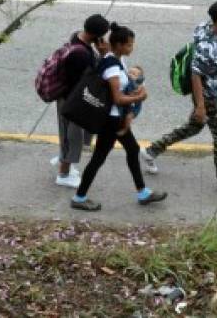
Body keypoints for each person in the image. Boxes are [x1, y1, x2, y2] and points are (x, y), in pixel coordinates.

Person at [141, 0, 217, 196]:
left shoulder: (208, 28)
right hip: (207, 95)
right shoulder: (207, 46)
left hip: (209, 93)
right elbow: (195, 75)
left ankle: (151, 151)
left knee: (194, 126)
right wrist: (201, 106)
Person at [71, 22, 167, 211]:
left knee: (132, 149)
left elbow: (109, 55)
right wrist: (140, 96)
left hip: (116, 118)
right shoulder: (112, 67)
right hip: (112, 120)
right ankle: (79, 197)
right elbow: (117, 98)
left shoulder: (115, 58)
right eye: (129, 44)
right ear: (119, 45)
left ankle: (143, 192)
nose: (132, 47)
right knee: (99, 158)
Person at [53, 14, 110, 188]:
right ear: (96, 36)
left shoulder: (76, 37)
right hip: (71, 101)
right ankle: (63, 173)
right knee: (71, 138)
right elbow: (90, 77)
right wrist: (103, 55)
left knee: (69, 137)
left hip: (68, 98)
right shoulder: (82, 54)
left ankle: (66, 166)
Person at [116, 64, 144, 137]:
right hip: (127, 104)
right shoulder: (126, 81)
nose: (130, 75)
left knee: (128, 117)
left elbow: (133, 92)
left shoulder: (136, 85)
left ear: (139, 78)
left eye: (134, 74)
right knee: (120, 114)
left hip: (135, 107)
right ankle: (121, 125)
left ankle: (126, 129)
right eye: (130, 72)